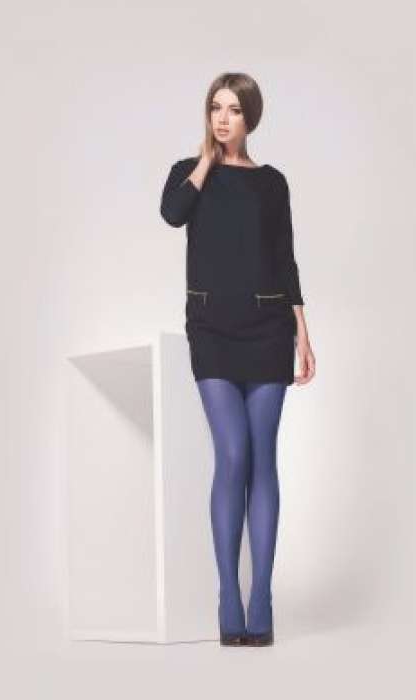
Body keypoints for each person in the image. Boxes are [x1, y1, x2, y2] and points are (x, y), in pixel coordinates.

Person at [160, 72, 316, 647]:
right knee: (232, 453)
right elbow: (172, 213)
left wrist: (303, 332)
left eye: (233, 110)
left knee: (261, 458)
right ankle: (228, 591)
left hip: (268, 329)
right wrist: (207, 160)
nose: (223, 118)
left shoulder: (273, 183)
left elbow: (285, 259)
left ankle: (262, 597)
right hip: (212, 330)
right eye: (215, 108)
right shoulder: (188, 173)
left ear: (251, 117)